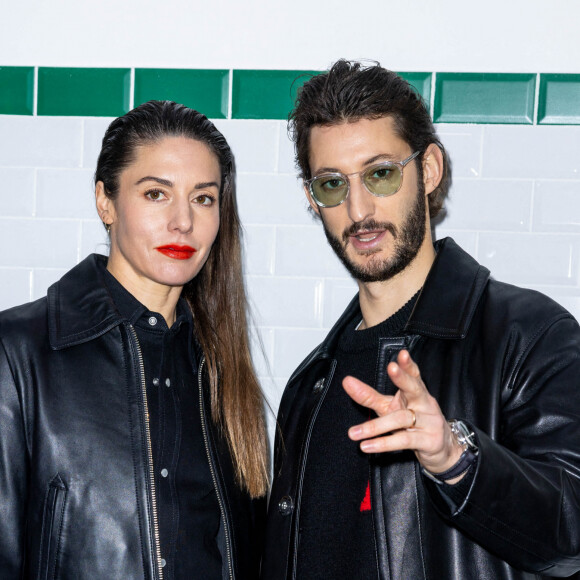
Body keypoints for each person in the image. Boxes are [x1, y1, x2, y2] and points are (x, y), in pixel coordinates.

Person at [262, 60, 580, 579]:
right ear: (311, 200)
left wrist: (459, 461)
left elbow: (571, 537)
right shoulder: (311, 385)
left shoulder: (527, 336)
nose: (358, 208)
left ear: (428, 170)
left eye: (381, 173)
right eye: (332, 185)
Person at [0, 100, 268, 579]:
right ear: (106, 200)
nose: (183, 221)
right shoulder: (17, 352)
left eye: (203, 198)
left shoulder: (220, 366)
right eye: (155, 194)